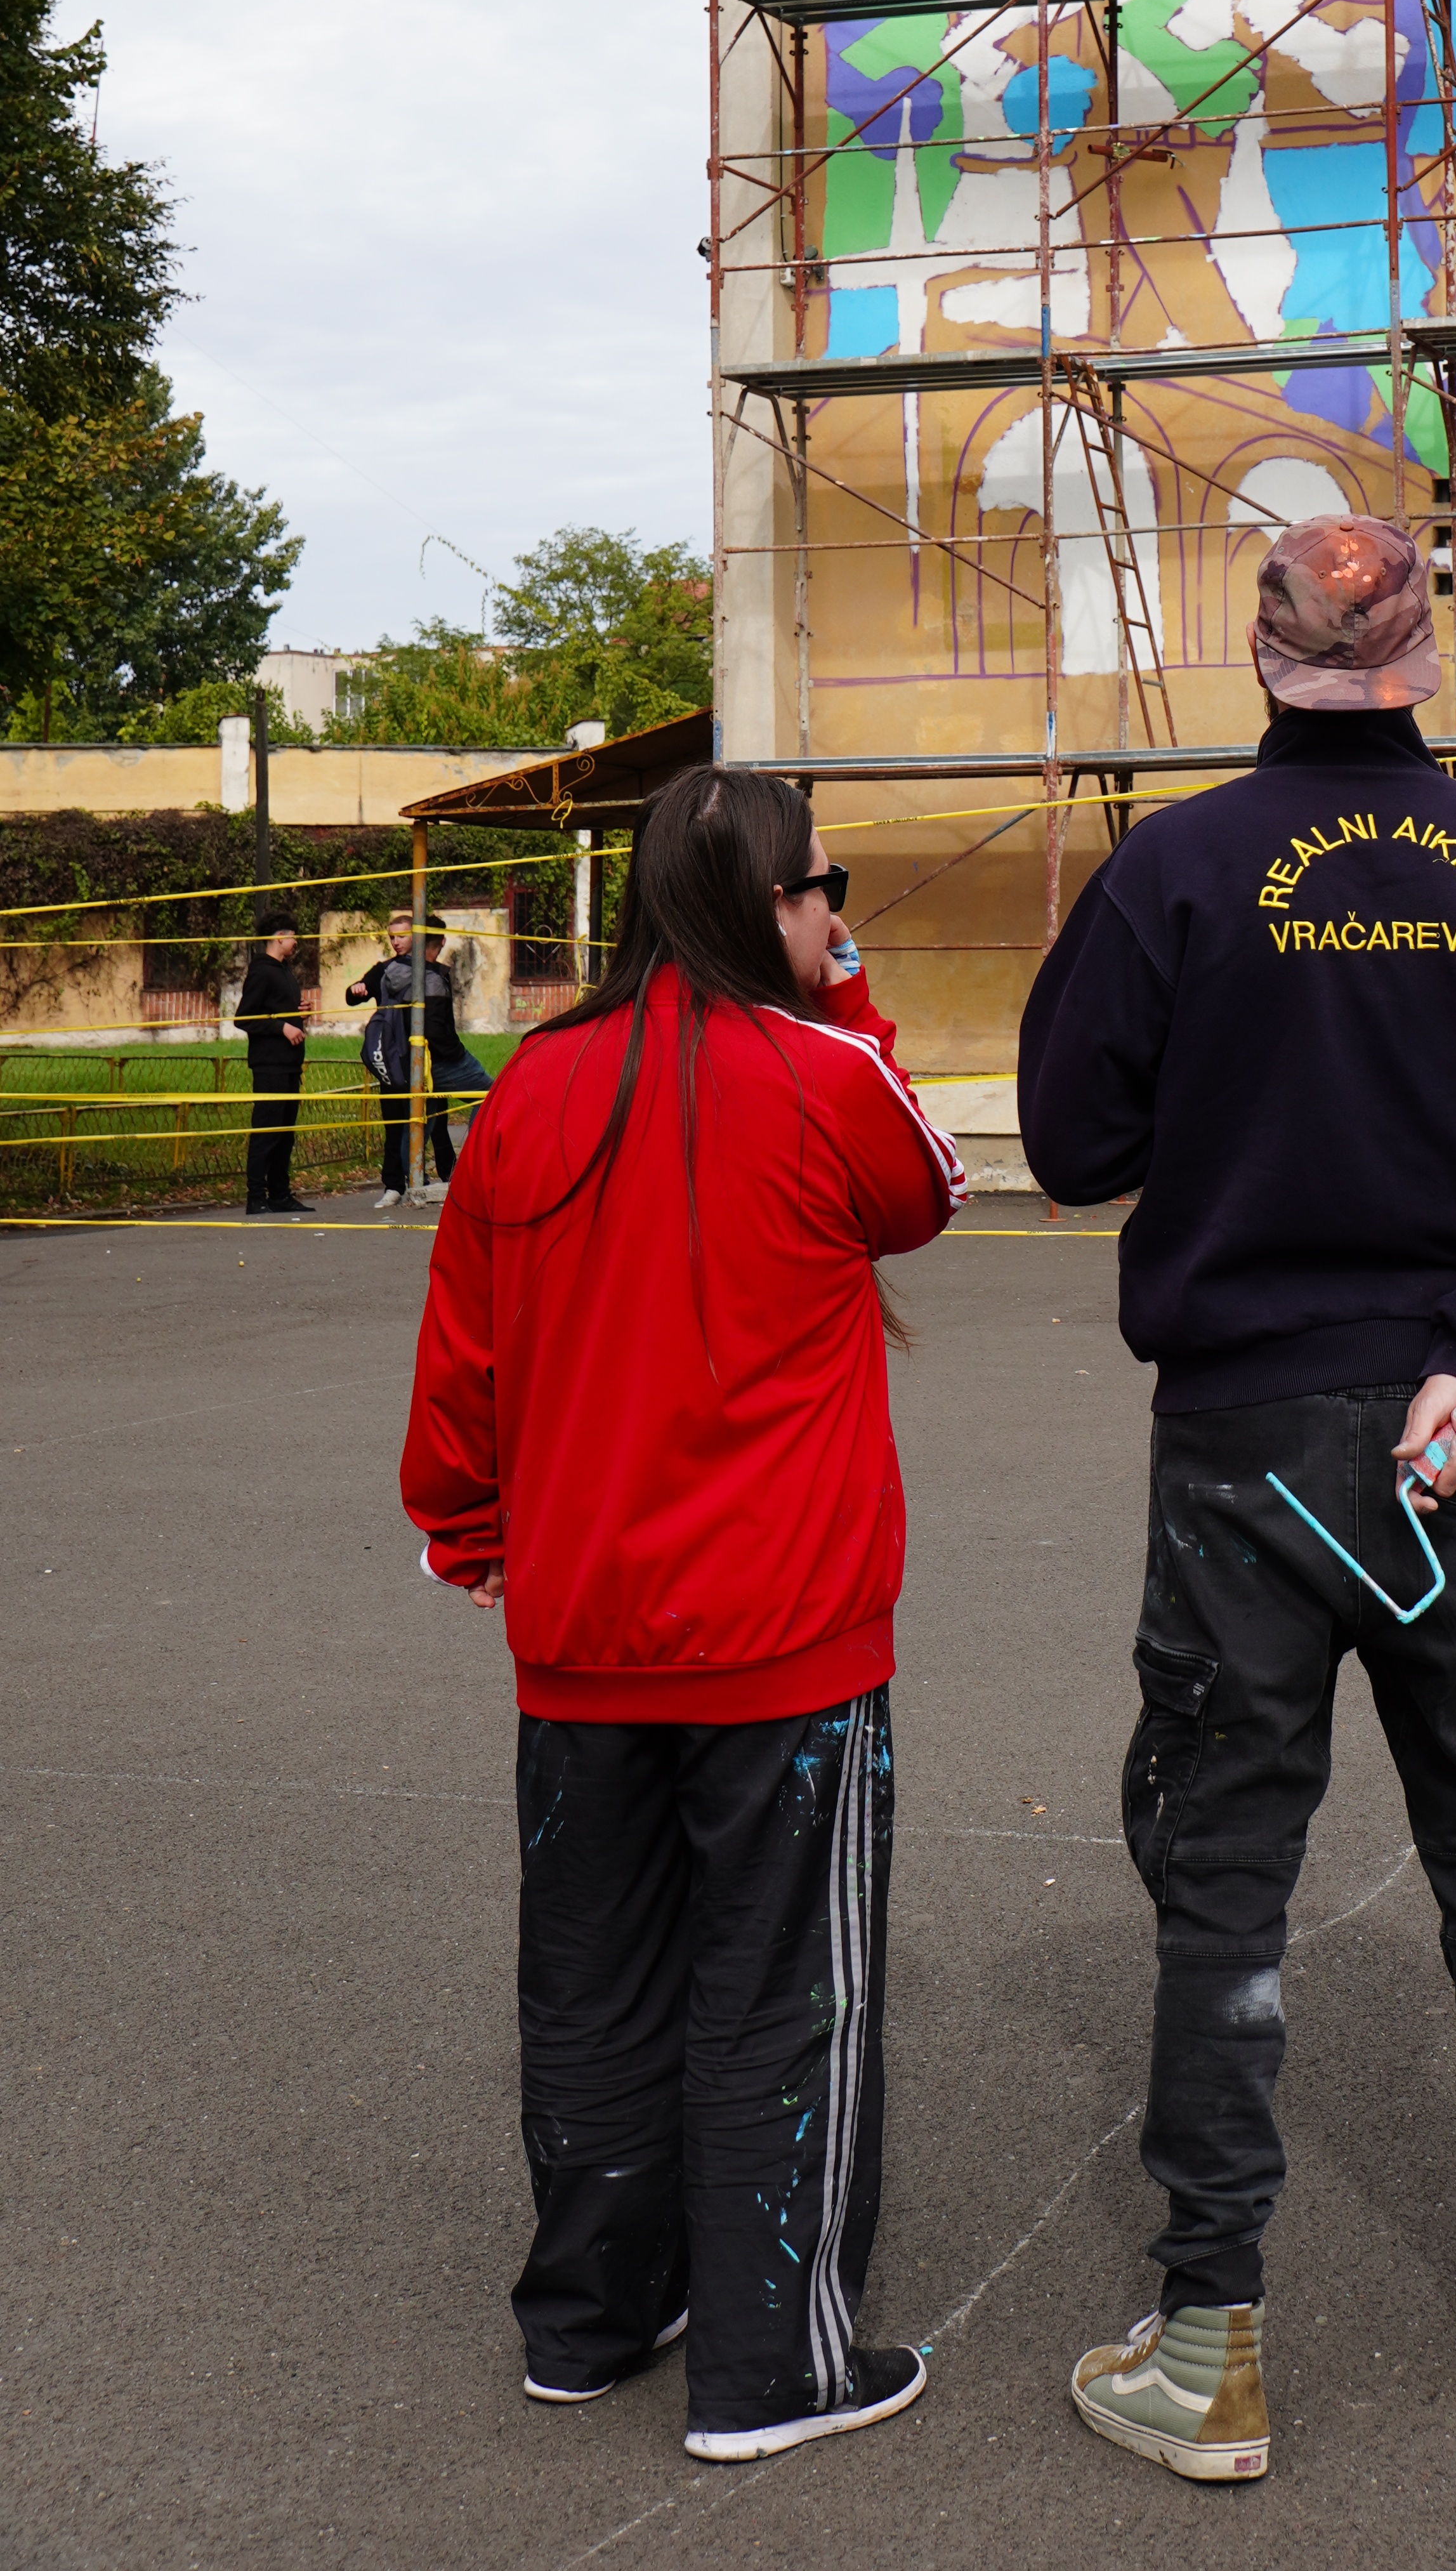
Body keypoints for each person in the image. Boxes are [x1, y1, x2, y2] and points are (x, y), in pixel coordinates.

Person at [1018, 512, 1456, 2482]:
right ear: (1430, 654)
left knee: (1224, 1871)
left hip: (1241, 1442)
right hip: (1443, 1438)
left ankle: (1211, 2336)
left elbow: (1067, 1136)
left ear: (1258, 651)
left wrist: (1229, 1082)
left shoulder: (1178, 864)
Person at [400, 766, 964, 2463]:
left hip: (583, 1630)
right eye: (821, 890)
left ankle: (592, 2311)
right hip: (780, 1636)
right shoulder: (820, 1073)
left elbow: (465, 1343)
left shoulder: (535, 1091)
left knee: (593, 1980)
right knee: (783, 1988)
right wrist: (847, 989)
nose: (830, 913)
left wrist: (466, 1521)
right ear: (777, 905)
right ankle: (773, 2362)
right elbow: (925, 1190)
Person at [348, 914, 460, 1204]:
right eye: (392, 937)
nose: (396, 942)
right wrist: (357, 990)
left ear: (417, 937)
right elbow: (355, 994)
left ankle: (451, 1179)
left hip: (428, 1063)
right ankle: (395, 1186)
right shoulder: (387, 970)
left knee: (437, 1122)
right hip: (395, 1061)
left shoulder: (434, 972)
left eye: (401, 936)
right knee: (395, 1124)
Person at [235, 913, 313, 1218]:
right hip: (270, 1065)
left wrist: (297, 1013)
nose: (296, 943)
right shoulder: (262, 972)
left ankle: (280, 1193)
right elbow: (245, 1017)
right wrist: (283, 1028)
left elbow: (277, 1010)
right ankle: (256, 1196)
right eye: (293, 936)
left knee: (285, 1132)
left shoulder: (284, 971)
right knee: (267, 1131)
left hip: (291, 1063)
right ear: (279, 937)